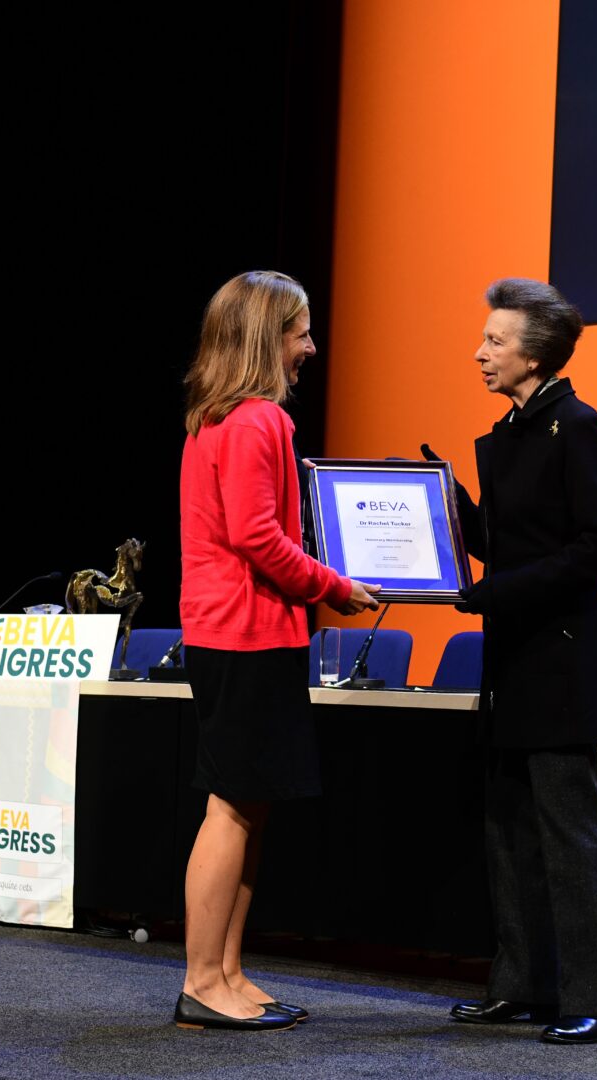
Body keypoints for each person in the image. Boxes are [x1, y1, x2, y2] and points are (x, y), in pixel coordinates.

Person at [424, 278, 597, 1045]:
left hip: (561, 660)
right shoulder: (511, 431)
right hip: (514, 660)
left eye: (494, 341)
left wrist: (498, 590)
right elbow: (509, 545)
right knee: (509, 827)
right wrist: (449, 505)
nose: (479, 353)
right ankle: (523, 987)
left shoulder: (579, 427)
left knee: (571, 835)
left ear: (534, 355)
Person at [175, 270, 381, 1032]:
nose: (311, 347)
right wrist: (335, 586)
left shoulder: (216, 419)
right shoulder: (259, 420)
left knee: (246, 808)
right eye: (301, 332)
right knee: (231, 808)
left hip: (231, 631)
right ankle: (203, 981)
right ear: (268, 338)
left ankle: (228, 973)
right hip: (246, 634)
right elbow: (258, 537)